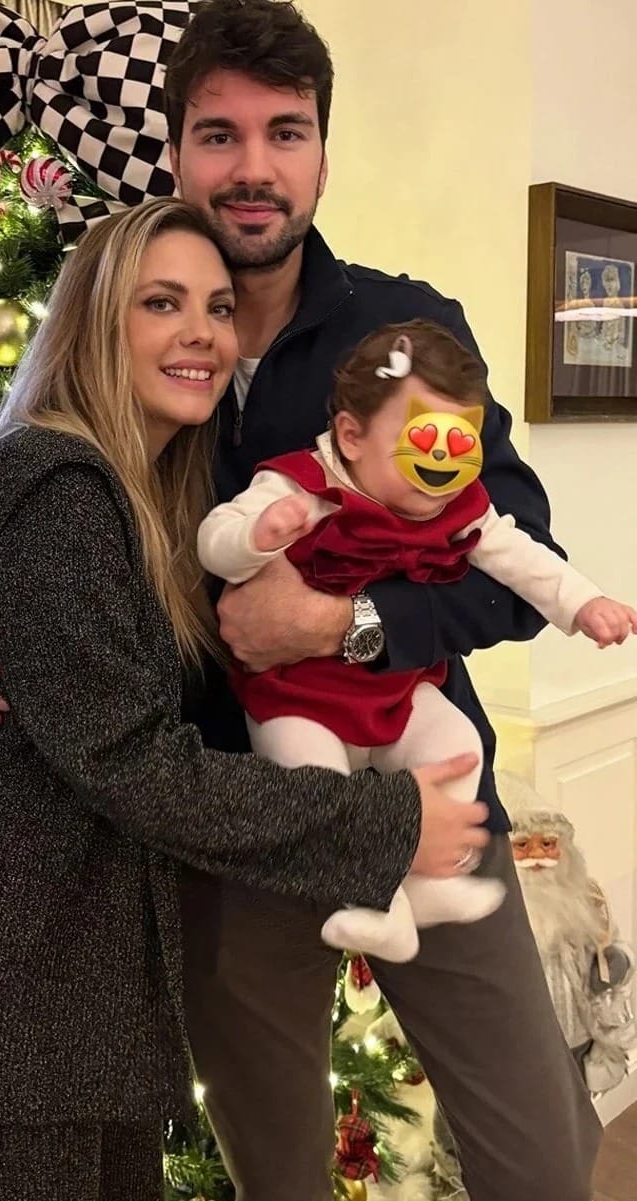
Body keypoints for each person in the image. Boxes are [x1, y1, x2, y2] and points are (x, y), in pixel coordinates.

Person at [0, 1, 604, 1197]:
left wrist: (348, 623)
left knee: (543, 1153)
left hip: (422, 794)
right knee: (277, 1171)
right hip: (231, 829)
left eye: (286, 132)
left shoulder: (404, 332)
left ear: (323, 154)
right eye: (219, 134)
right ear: (177, 151)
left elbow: (514, 560)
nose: (253, 167)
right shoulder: (142, 355)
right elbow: (45, 507)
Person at [0, 197, 479, 1200]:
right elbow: (138, 765)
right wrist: (391, 821)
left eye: (216, 307)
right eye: (162, 303)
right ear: (97, 321)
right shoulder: (59, 489)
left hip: (65, 1009)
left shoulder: (138, 496)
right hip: (6, 1018)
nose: (200, 331)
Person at [197, 318, 637, 962]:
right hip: (296, 697)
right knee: (314, 784)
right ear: (351, 437)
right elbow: (215, 540)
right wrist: (256, 537)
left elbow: (518, 555)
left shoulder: (457, 504)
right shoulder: (302, 486)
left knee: (457, 743)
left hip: (393, 689)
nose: (444, 469)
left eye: (463, 448)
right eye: (424, 443)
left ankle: (430, 887)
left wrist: (584, 603)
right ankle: (376, 906)